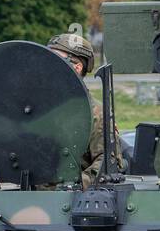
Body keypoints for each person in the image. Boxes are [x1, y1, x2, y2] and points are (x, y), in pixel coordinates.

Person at [46, 33, 123, 189]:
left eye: (55, 59)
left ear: (77, 67)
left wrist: (73, 184)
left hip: (67, 202)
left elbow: (107, 163)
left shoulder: (95, 113)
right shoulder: (34, 106)